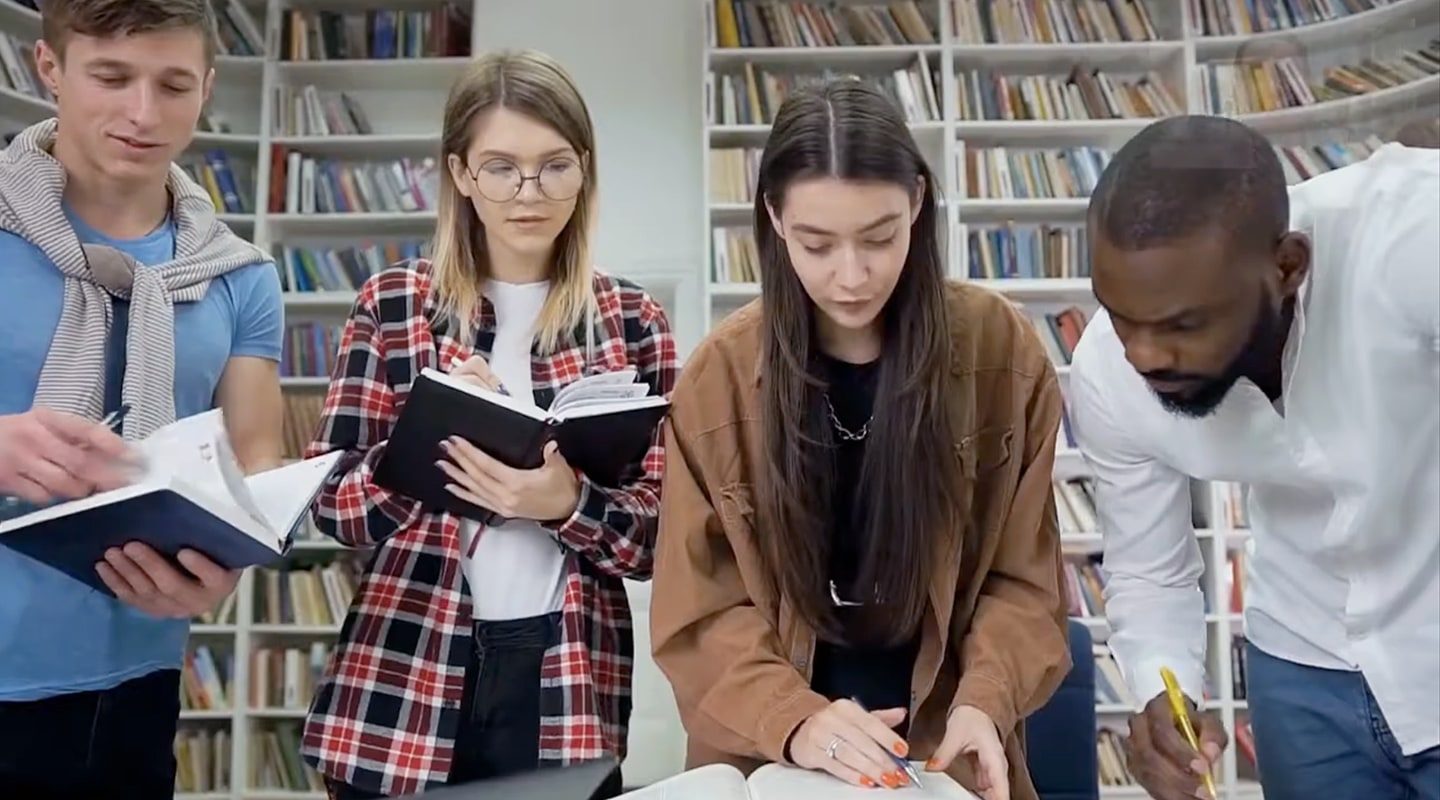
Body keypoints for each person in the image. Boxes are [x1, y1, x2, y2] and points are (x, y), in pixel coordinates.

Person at [650, 79, 1070, 800]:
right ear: (775, 222)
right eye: (817, 244)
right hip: (775, 750)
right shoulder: (719, 379)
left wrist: (986, 700)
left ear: (918, 204)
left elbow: (1023, 580)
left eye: (880, 238)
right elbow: (701, 608)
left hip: (944, 741)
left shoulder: (1001, 353)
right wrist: (796, 720)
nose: (852, 276)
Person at [300, 49, 678, 799]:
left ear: (585, 171)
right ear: (462, 175)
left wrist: (565, 506)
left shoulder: (634, 321)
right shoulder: (392, 305)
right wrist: (423, 444)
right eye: (501, 167)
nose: (528, 193)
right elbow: (332, 508)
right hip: (404, 669)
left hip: (564, 673)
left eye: (555, 166)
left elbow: (660, 541)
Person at [1069, 115, 1439, 800]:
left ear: (1287, 267)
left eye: (1184, 324)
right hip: (1299, 666)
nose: (1143, 355)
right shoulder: (1105, 371)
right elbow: (1149, 570)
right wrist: (1160, 686)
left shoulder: (1410, 236)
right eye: (1121, 316)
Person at [0, 0, 285, 796]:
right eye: (112, 77)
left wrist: (227, 561)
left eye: (172, 84)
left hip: (139, 681)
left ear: (208, 87)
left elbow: (258, 457)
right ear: (49, 69)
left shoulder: (239, 274)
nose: (142, 113)